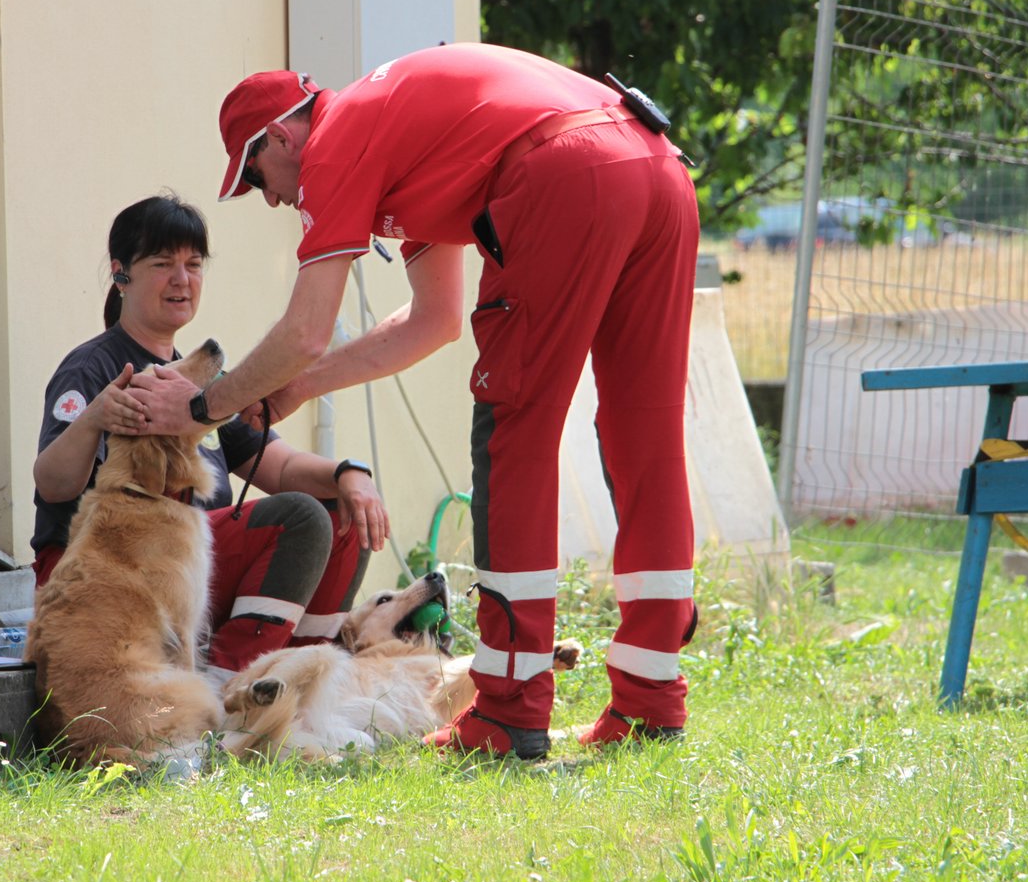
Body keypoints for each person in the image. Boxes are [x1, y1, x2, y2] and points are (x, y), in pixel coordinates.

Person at [130, 43, 701, 759]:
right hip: (654, 159)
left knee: (513, 433)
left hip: (567, 170)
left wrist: (200, 408)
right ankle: (651, 699)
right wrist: (299, 386)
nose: (271, 198)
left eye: (257, 177)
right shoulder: (400, 137)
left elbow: (305, 328)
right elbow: (433, 320)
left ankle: (508, 708)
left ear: (279, 134)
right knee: (643, 431)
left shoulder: (334, 146)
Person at [30, 194, 390, 685]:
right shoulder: (90, 368)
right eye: (163, 263)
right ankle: (225, 690)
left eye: (193, 264)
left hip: (187, 571)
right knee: (301, 517)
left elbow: (279, 467)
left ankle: (295, 681)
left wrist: (349, 474)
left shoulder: (203, 380)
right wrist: (94, 418)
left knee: (339, 514)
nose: (183, 279)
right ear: (120, 274)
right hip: (110, 582)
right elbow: (52, 486)